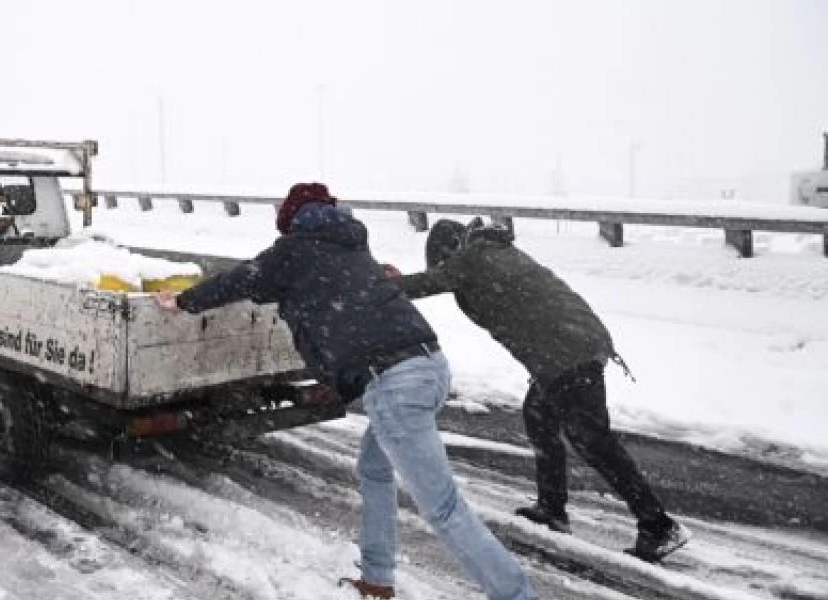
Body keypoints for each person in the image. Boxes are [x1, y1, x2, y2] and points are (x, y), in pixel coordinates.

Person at [154, 184, 541, 600]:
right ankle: (377, 579)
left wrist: (184, 301)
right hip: (428, 366)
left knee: (444, 509)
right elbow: (353, 318)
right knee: (374, 470)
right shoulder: (353, 247)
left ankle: (517, 596)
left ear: (292, 218)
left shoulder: (295, 251)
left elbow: (242, 279)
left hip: (395, 384)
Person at [386, 218, 690, 563]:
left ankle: (657, 524)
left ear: (450, 251)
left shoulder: (474, 258)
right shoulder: (496, 254)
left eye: (442, 260)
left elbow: (422, 285)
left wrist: (372, 283)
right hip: (567, 347)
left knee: (592, 440)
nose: (444, 267)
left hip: (566, 352)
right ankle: (552, 509)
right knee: (540, 419)